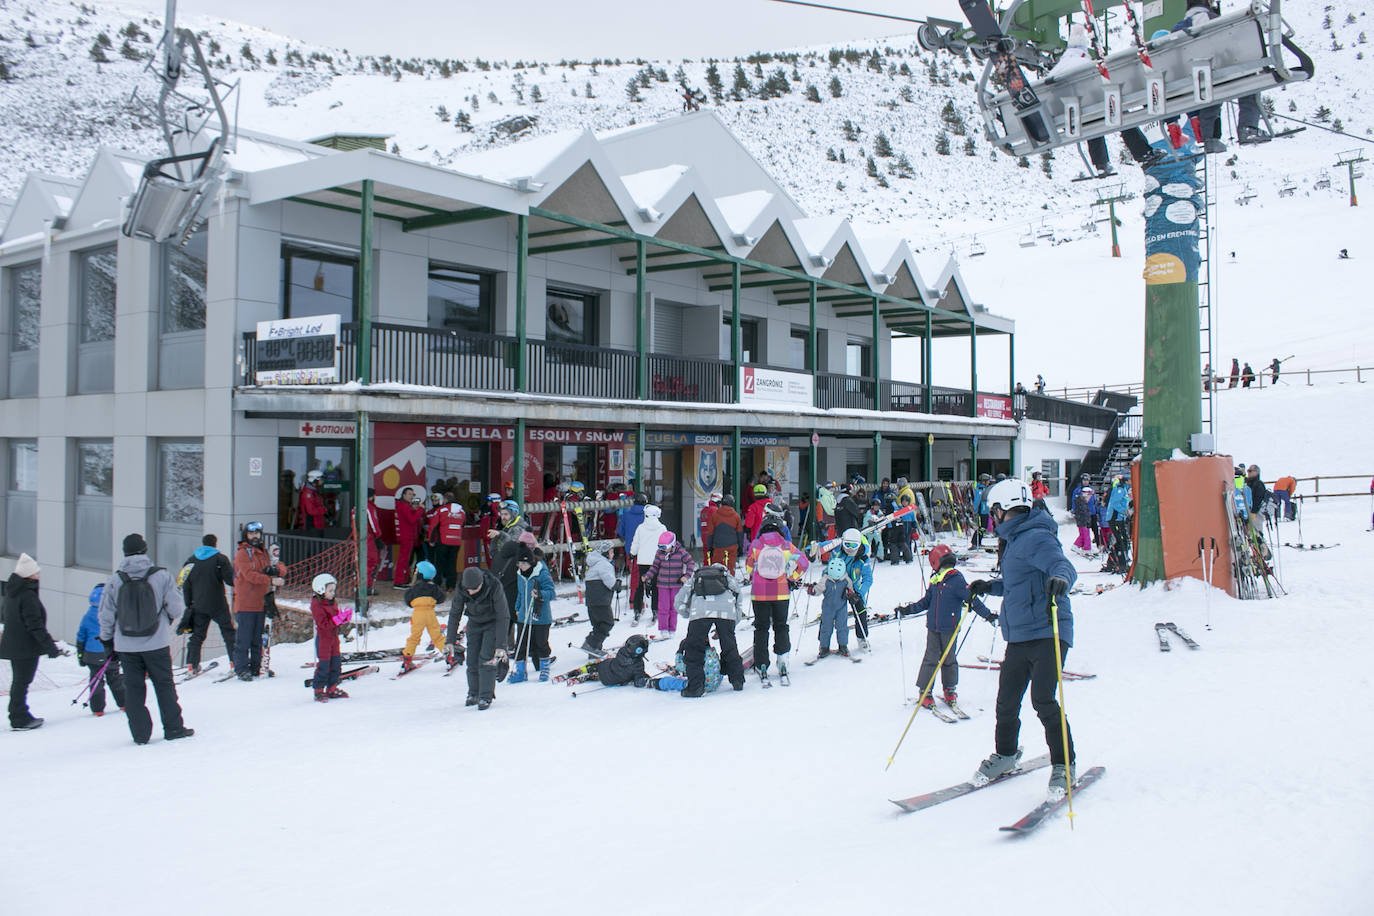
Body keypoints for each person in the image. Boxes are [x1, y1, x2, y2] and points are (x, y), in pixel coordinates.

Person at [967, 479, 1078, 799]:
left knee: (1043, 699)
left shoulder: (1036, 537)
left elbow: (1062, 566)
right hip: (1019, 634)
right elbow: (1017, 583)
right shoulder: (1015, 540)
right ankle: (1005, 755)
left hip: (1048, 629)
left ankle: (1064, 764)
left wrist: (1061, 580)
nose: (992, 517)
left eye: (993, 511)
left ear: (1003, 509)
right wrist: (990, 587)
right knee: (1006, 700)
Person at [98, 534, 194, 745]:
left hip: (126, 646)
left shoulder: (115, 580)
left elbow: (105, 616)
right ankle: (173, 728)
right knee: (164, 685)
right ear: (145, 550)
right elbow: (177, 608)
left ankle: (140, 734)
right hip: (157, 643)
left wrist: (107, 642)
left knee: (133, 690)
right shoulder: (161, 575)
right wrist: (165, 618)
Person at [903, 544, 996, 709]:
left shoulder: (957, 580)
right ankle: (925, 690)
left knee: (949, 659)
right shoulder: (936, 581)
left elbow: (972, 600)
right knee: (930, 659)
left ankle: (949, 689)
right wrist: (907, 609)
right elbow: (926, 602)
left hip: (950, 629)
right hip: (933, 628)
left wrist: (987, 614)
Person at [2, 553, 67, 730]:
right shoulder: (27, 595)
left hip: (16, 645)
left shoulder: (12, 592)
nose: (38, 575)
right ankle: (18, 717)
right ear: (28, 575)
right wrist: (50, 647)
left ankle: (20, 714)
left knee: (19, 681)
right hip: (25, 647)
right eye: (35, 572)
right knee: (22, 682)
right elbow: (35, 625)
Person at [745, 516, 807, 680]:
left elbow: (749, 567)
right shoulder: (786, 545)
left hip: (759, 593)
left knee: (761, 628)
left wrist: (756, 575)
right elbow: (804, 562)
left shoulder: (756, 545)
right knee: (781, 626)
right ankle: (782, 660)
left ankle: (761, 663)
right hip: (781, 592)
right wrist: (792, 577)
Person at [675, 563, 746, 696]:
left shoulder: (696, 576)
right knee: (729, 646)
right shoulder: (727, 577)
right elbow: (738, 597)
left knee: (694, 649)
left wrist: (689, 614)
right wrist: (733, 621)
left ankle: (695, 687)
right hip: (726, 611)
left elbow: (679, 601)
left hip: (700, 611)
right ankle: (737, 681)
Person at [447, 566, 510, 710]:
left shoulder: (494, 586)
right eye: (468, 589)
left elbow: (503, 615)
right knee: (472, 658)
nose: (470, 592)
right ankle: (473, 693)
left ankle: (485, 696)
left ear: (481, 583)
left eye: (474, 589)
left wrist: (501, 645)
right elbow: (455, 613)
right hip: (474, 623)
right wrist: (450, 640)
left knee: (486, 658)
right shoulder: (463, 587)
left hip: (492, 624)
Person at [231, 522, 286, 681]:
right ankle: (241, 668)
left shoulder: (263, 552)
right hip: (246, 602)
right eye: (251, 534)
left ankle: (257, 666)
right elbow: (250, 575)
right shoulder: (243, 554)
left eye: (257, 533)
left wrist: (277, 571)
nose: (255, 537)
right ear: (246, 536)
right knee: (244, 638)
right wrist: (270, 580)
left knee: (258, 638)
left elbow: (279, 565)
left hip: (261, 601)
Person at [179, 534, 235, 675]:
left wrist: (189, 604)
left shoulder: (190, 561)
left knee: (197, 635)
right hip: (218, 603)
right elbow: (230, 580)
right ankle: (235, 663)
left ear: (202, 544)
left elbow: (186, 585)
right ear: (215, 544)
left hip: (198, 604)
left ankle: (192, 665)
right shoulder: (220, 559)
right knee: (228, 632)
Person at [76, 584, 126, 716]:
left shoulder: (87, 616)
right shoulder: (113, 613)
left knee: (96, 681)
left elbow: (81, 636)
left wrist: (80, 655)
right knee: (115, 678)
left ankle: (98, 709)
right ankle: (124, 703)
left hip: (92, 654)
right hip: (110, 653)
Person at [509, 545, 557, 682]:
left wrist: (540, 594)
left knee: (541, 644)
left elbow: (552, 593)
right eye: (519, 563)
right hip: (524, 616)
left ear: (531, 562)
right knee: (521, 645)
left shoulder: (541, 573)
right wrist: (517, 608)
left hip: (540, 616)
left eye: (524, 563)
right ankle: (520, 672)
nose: (521, 566)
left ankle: (544, 669)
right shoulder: (519, 574)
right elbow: (520, 593)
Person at [486, 499, 529, 639]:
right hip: (505, 574)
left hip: (515, 576)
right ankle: (505, 643)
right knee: (505, 610)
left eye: (505, 514)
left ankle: (519, 644)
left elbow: (513, 545)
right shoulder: (507, 526)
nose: (502, 517)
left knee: (512, 609)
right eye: (501, 514)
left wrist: (499, 535)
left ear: (513, 513)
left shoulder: (519, 527)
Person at [309, 573, 353, 702]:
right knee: (324, 666)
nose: (333, 593)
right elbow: (323, 625)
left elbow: (336, 618)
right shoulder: (317, 605)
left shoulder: (331, 602)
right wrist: (337, 620)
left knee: (336, 664)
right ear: (321, 590)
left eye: (334, 590)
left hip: (333, 638)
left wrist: (343, 618)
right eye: (330, 590)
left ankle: (332, 688)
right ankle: (318, 690)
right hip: (324, 639)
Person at [645, 529, 695, 638]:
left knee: (673, 607)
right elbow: (655, 567)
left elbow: (691, 563)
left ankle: (672, 629)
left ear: (672, 545)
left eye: (664, 547)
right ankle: (663, 629)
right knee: (663, 607)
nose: (662, 549)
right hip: (662, 584)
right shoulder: (660, 553)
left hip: (676, 584)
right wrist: (647, 576)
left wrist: (686, 576)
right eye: (660, 547)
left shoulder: (681, 552)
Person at [401, 561, 447, 673]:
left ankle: (407, 659)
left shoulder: (413, 589)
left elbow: (407, 600)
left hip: (417, 615)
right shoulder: (434, 588)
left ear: (419, 575)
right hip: (430, 614)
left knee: (414, 637)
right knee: (437, 636)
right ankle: (449, 656)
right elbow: (442, 598)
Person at [629, 504, 666, 624]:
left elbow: (636, 543)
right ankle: (655, 610)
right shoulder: (662, 528)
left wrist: (632, 553)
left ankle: (637, 609)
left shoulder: (641, 528)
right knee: (656, 586)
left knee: (640, 586)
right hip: (656, 561)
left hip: (642, 561)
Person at [580, 547, 617, 655]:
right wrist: (616, 585)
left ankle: (595, 650)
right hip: (601, 600)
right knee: (607, 623)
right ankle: (590, 644)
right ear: (605, 553)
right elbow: (609, 581)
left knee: (598, 625)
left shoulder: (594, 563)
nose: (613, 554)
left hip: (592, 600)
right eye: (611, 552)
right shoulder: (604, 564)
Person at [428, 494, 465, 591]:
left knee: (439, 563)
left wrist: (431, 540)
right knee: (452, 563)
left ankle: (437, 584)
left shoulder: (441, 510)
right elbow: (464, 524)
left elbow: (433, 526)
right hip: (456, 541)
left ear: (445, 499)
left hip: (443, 541)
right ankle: (451, 586)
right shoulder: (461, 511)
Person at [392, 487, 424, 587]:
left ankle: (403, 579)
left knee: (405, 560)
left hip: (407, 536)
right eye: (409, 494)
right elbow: (412, 520)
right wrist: (420, 509)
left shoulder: (404, 505)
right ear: (404, 495)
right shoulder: (404, 506)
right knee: (403, 559)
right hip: (406, 536)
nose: (411, 496)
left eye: (412, 494)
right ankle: (399, 582)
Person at [704, 494, 744, 570]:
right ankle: (730, 580)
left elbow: (710, 533)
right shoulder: (736, 516)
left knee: (717, 567)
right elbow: (739, 533)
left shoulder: (715, 515)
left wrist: (710, 547)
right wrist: (740, 548)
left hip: (718, 546)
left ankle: (718, 580)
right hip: (732, 546)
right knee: (730, 567)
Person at [1104, 476, 1133, 575]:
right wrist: (1124, 512)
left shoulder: (1124, 489)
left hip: (1119, 518)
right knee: (1122, 541)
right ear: (1126, 481)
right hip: (1115, 518)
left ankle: (1112, 562)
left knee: (1122, 541)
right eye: (1130, 480)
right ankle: (1121, 565)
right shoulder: (1120, 490)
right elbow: (1115, 503)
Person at [1071, 486, 1096, 555]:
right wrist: (1087, 521)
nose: (1089, 498)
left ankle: (1076, 546)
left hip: (1081, 521)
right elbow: (1083, 513)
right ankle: (1087, 549)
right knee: (1086, 535)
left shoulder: (1082, 502)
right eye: (1089, 496)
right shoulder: (1081, 503)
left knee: (1082, 535)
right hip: (1083, 522)